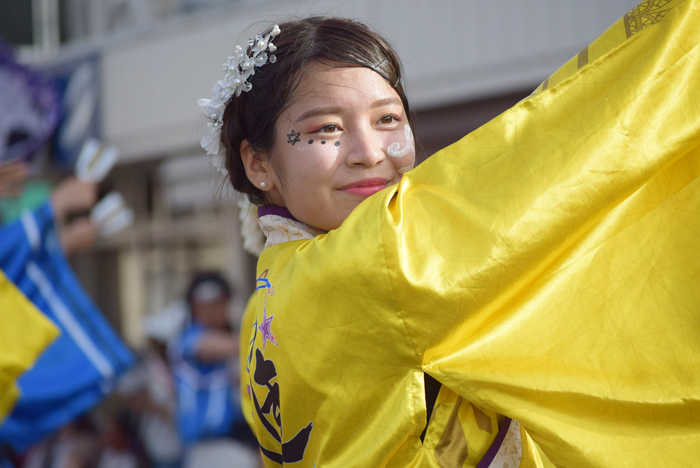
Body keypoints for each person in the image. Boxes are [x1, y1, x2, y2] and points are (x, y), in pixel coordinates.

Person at [199, 6, 700, 468]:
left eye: (388, 119)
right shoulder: (384, 254)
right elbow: (563, 143)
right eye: (327, 128)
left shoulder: (263, 302)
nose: (369, 152)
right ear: (257, 162)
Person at [168, 273, 257, 468]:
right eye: (213, 304)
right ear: (196, 306)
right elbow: (215, 346)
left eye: (222, 303)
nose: (219, 310)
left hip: (236, 445)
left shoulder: (227, 341)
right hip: (209, 450)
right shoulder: (186, 341)